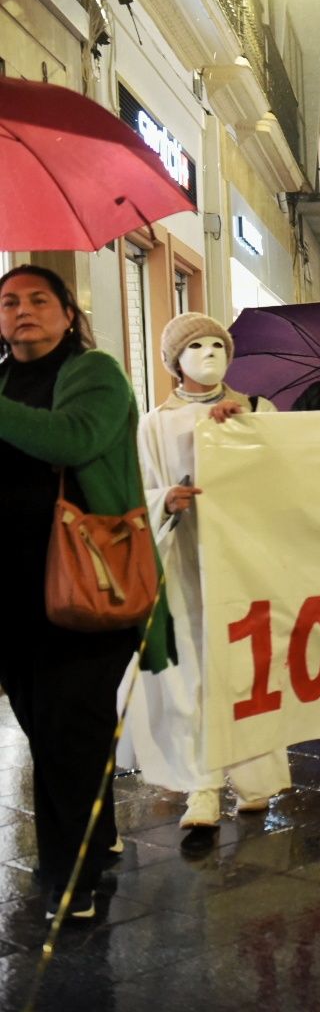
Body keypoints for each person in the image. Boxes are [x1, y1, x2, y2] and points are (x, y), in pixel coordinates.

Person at [0, 264, 171, 920]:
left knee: (70, 728)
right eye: (10, 301)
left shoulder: (95, 373)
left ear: (68, 313)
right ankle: (95, 840)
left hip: (89, 587)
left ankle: (70, 883)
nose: (22, 310)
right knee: (50, 730)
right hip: (14, 595)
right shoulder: (5, 378)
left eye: (39, 299)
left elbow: (72, 437)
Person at [127, 313, 291, 844]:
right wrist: (165, 500)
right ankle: (202, 786)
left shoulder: (256, 409)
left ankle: (253, 774)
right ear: (174, 361)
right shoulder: (155, 424)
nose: (207, 352)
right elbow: (141, 490)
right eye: (194, 345)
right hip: (185, 565)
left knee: (247, 665)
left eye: (215, 343)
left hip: (244, 561)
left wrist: (244, 430)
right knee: (194, 669)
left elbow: (287, 472)